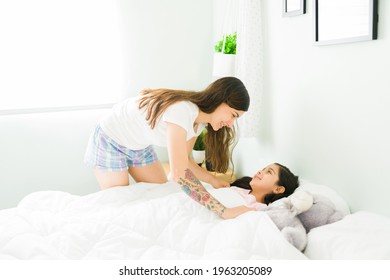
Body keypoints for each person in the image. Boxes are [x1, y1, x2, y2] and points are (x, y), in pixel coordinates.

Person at [84, 76, 251, 219]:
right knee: (120, 201)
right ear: (220, 99)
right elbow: (179, 174)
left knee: (160, 191)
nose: (230, 124)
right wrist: (223, 211)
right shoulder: (182, 111)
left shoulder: (198, 123)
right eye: (233, 115)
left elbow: (185, 160)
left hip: (139, 146)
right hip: (110, 140)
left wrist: (212, 180)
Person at [230, 163, 300, 210]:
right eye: (263, 169)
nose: (260, 171)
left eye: (269, 172)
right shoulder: (238, 188)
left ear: (278, 189)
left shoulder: (259, 209)